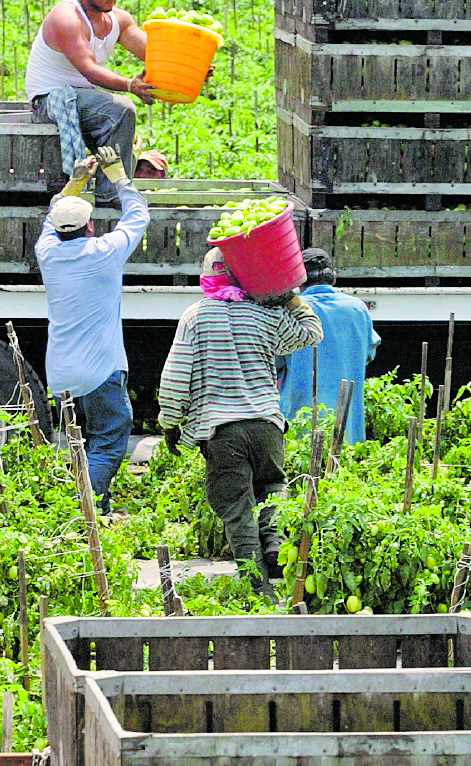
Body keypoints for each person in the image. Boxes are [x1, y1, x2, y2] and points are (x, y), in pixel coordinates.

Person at [158, 250, 323, 594]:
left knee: (236, 508)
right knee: (272, 486)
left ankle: (256, 584)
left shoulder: (195, 316)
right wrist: (289, 296)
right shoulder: (265, 315)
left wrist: (171, 424)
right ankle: (273, 543)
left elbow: (175, 378)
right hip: (267, 425)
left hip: (223, 432)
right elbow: (311, 332)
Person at [36, 145, 150, 516]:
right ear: (90, 226)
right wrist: (117, 174)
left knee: (81, 442)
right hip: (98, 370)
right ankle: (81, 509)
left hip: (61, 372)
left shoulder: (47, 252)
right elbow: (138, 216)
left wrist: (76, 181)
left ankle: (97, 508)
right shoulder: (105, 251)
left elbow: (50, 219)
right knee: (111, 439)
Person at [25, 0, 155, 205]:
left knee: (115, 112)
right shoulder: (66, 18)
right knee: (120, 110)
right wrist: (130, 85)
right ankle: (111, 194)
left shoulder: (119, 19)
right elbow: (90, 69)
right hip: (50, 100)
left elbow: (154, 54)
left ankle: (115, 184)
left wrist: (194, 66)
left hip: (83, 98)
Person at [277, 249, 380, 445]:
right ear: (332, 279)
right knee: (342, 471)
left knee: (299, 472)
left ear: (299, 282)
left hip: (299, 428)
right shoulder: (357, 308)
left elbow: (274, 361)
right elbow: (369, 353)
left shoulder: (291, 310)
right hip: (347, 427)